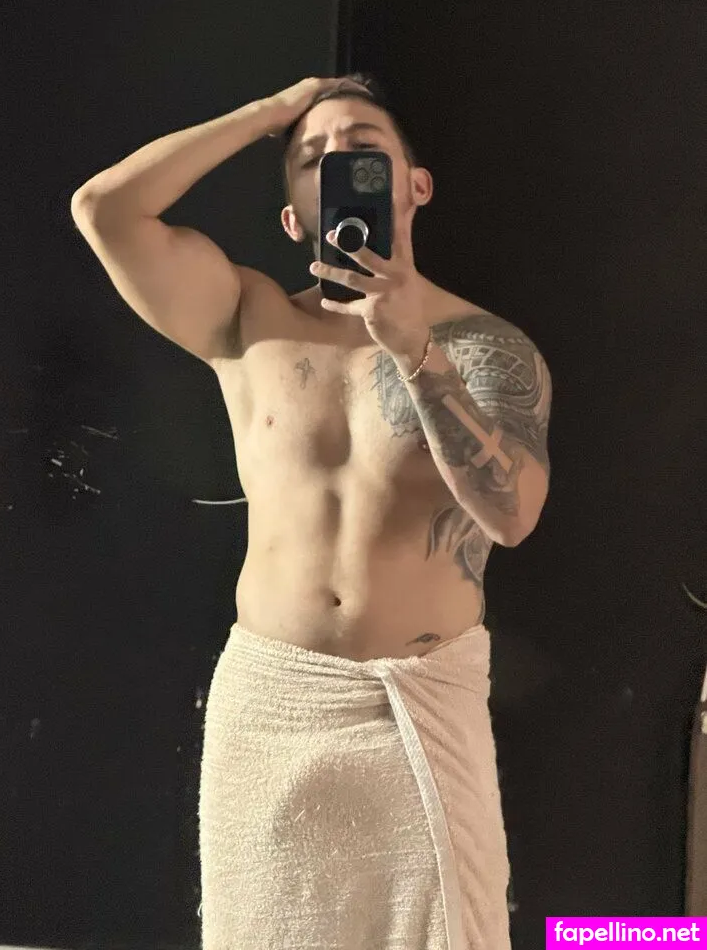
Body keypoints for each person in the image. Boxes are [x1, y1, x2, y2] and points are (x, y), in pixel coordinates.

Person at [71, 73, 552, 950]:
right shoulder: (245, 319)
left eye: (364, 149)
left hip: (419, 704)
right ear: (294, 216)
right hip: (275, 703)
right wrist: (267, 114)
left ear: (416, 184)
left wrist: (416, 355)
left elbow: (513, 515)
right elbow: (105, 209)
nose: (339, 160)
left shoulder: (485, 346)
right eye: (313, 159)